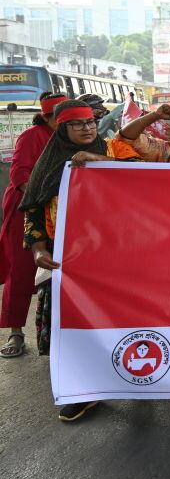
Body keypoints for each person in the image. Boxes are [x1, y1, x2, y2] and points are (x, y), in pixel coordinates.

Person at [19, 99, 138, 422]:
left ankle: (136, 377)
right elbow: (34, 211)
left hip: (111, 257)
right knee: (74, 327)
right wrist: (39, 250)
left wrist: (98, 161)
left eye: (89, 122)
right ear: (62, 129)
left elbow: (143, 178)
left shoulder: (112, 152)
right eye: (78, 124)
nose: (86, 128)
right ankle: (85, 389)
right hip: (66, 260)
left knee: (117, 321)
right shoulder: (49, 165)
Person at [0, 93, 66, 359]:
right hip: (27, 207)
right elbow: (19, 173)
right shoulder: (31, 136)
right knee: (22, 269)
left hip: (63, 208)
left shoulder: (69, 138)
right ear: (48, 117)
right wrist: (40, 200)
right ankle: (15, 331)